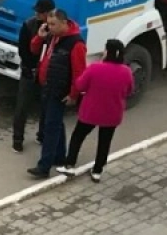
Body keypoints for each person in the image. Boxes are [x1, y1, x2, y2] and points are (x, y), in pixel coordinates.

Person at [57, 39, 134, 182]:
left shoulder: (95, 68)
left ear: (107, 52)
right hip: (112, 114)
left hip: (91, 112)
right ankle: (97, 170)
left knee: (78, 136)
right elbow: (129, 91)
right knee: (105, 141)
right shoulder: (127, 72)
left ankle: (70, 164)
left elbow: (80, 85)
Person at [27, 8, 86, 179]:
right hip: (48, 85)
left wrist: (74, 94)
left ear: (64, 23)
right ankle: (59, 156)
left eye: (53, 24)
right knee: (55, 123)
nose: (50, 27)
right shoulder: (53, 36)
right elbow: (34, 49)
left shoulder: (76, 44)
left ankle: (44, 166)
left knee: (51, 126)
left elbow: (79, 72)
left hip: (60, 90)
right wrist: (40, 35)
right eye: (48, 24)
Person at [12, 0, 55, 153]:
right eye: (36, 11)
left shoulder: (55, 28)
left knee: (46, 105)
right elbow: (23, 49)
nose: (37, 14)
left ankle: (42, 135)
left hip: (47, 73)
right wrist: (29, 67)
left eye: (40, 12)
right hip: (29, 70)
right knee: (22, 106)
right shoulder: (29, 25)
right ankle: (17, 139)